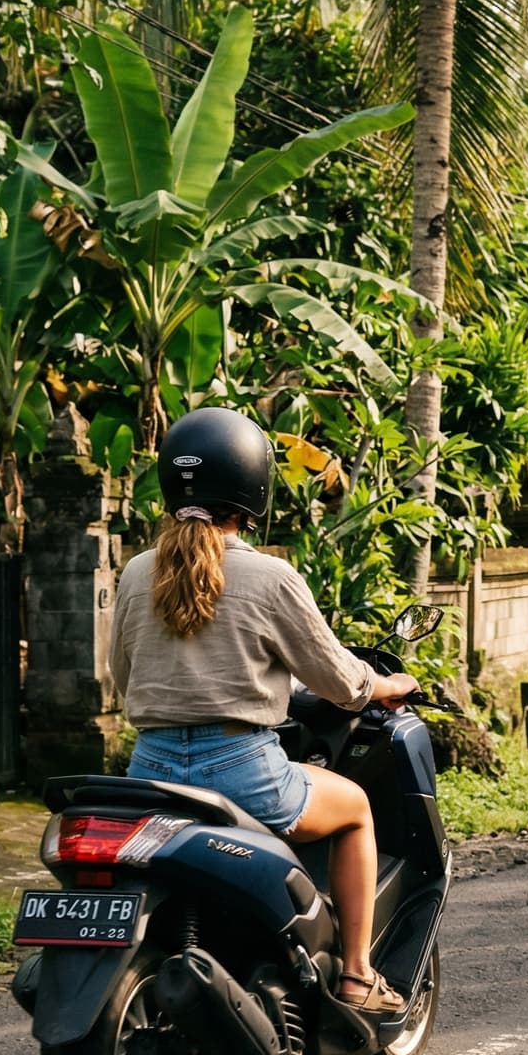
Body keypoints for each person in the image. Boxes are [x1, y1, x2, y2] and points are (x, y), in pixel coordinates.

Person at [107, 407, 418, 1014]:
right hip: (243, 772)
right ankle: (356, 975)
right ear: (254, 489)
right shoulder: (269, 575)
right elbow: (339, 681)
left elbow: (125, 678)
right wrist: (385, 685)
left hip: (149, 776)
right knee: (355, 808)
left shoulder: (136, 572)